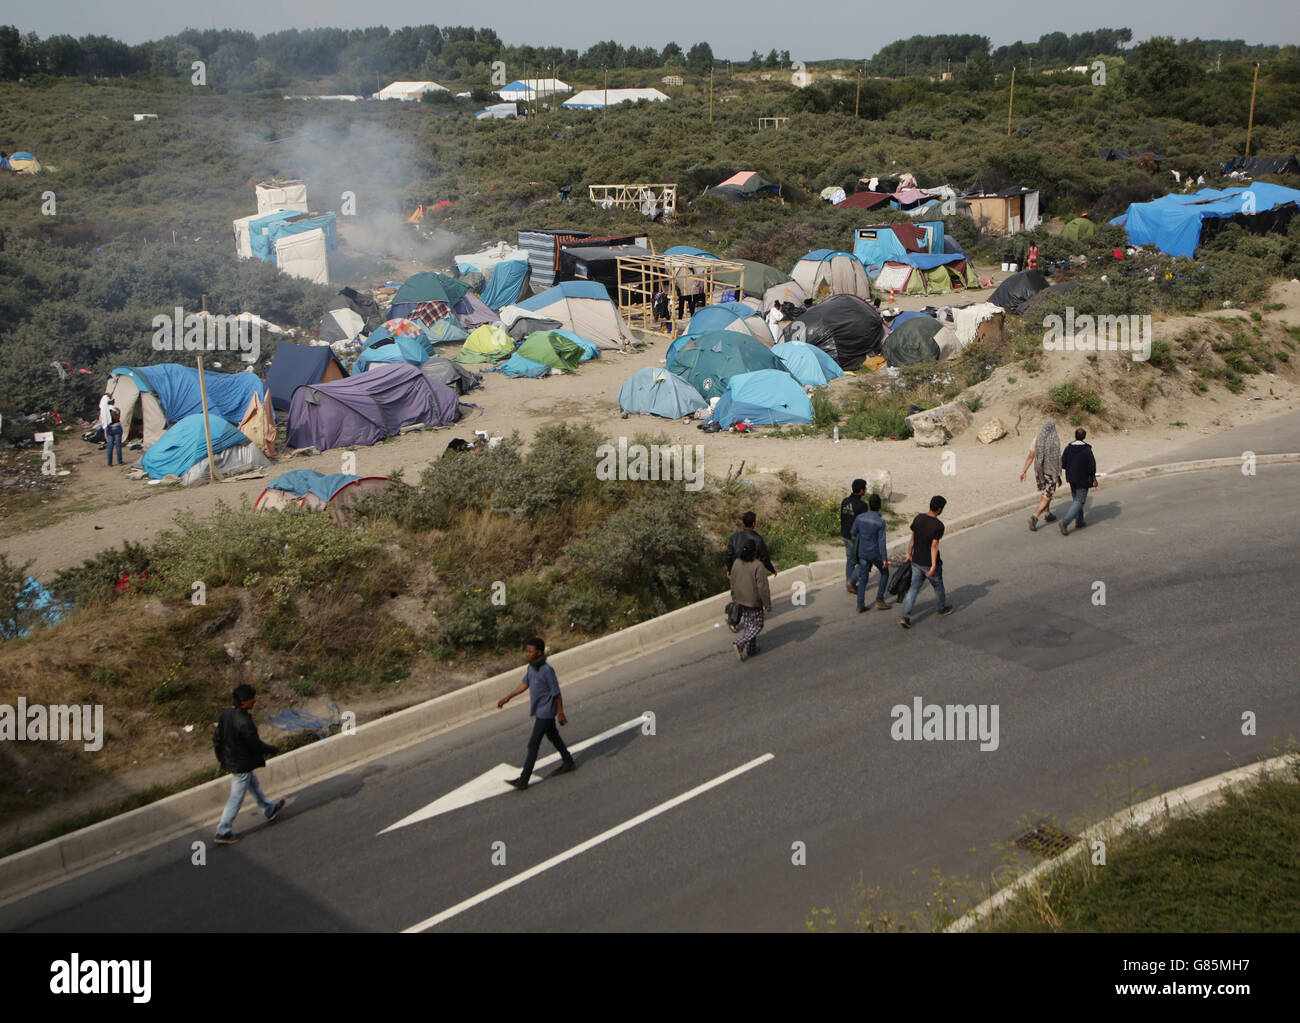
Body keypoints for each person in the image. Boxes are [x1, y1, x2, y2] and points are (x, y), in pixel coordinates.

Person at [497, 637, 576, 788]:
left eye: (530, 651)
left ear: (539, 652)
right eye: (526, 651)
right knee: (553, 736)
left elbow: (556, 693)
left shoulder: (547, 670)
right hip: (540, 710)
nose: (527, 654)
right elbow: (524, 684)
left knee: (534, 743)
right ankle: (568, 761)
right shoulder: (531, 667)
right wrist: (508, 697)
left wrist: (561, 712)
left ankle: (524, 779)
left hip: (546, 712)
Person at [213, 685, 285, 845]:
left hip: (232, 761)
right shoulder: (244, 722)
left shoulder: (226, 715)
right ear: (245, 702)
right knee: (236, 797)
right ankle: (223, 831)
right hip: (241, 764)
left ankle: (269, 809)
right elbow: (255, 744)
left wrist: (220, 757)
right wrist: (272, 750)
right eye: (253, 698)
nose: (255, 700)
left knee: (253, 784)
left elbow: (216, 738)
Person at [900, 496, 954, 629]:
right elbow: (934, 546)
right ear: (940, 509)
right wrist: (934, 565)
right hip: (929, 563)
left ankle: (905, 616)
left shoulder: (918, 518)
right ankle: (941, 608)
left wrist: (909, 554)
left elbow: (912, 539)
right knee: (938, 586)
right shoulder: (938, 526)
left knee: (913, 588)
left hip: (916, 560)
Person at [729, 539, 771, 660]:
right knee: (757, 625)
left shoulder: (736, 562)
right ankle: (740, 643)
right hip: (753, 600)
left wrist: (734, 596)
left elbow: (732, 581)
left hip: (741, 598)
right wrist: (767, 603)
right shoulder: (758, 565)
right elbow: (762, 587)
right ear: (755, 551)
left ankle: (751, 649)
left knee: (748, 624)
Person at [1020, 418, 1062, 531]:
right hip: (1050, 471)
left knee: (1045, 491)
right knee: (1048, 494)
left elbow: (1030, 456)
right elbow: (1057, 459)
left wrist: (1024, 471)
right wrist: (1058, 475)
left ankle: (1048, 514)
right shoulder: (1054, 440)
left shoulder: (1036, 439)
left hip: (1039, 470)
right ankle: (1035, 516)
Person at [851, 493, 891, 612]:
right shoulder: (880, 522)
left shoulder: (860, 518)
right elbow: (882, 542)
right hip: (875, 553)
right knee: (885, 573)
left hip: (862, 552)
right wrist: (884, 559)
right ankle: (880, 600)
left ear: (869, 504)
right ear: (879, 506)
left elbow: (853, 533)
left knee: (863, 579)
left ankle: (860, 605)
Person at [1059, 427, 1097, 535]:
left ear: (1075, 436)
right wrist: (1094, 478)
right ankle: (1065, 522)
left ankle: (1079, 521)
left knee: (1076, 499)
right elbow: (1092, 467)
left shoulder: (1068, 448)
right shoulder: (1087, 450)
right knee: (1080, 501)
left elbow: (1063, 464)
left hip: (1071, 478)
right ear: (1084, 437)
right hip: (1083, 478)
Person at [839, 479, 870, 593]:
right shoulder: (862, 505)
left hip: (845, 534)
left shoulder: (845, 501)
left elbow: (842, 518)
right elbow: (863, 523)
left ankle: (849, 584)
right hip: (855, 537)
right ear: (861, 491)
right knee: (864, 561)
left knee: (850, 560)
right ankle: (851, 581)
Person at [725, 511, 776, 577]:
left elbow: (729, 555)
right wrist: (772, 570)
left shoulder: (735, 536)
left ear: (744, 523)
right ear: (753, 523)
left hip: (737, 572)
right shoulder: (758, 539)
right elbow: (764, 558)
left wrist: (729, 569)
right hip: (751, 573)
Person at [102, 398, 124, 467]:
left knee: (110, 446)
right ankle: (119, 461)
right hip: (116, 427)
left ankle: (110, 463)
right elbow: (116, 419)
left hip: (109, 428)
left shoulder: (104, 410)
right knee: (118, 445)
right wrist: (119, 412)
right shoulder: (113, 410)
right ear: (111, 401)